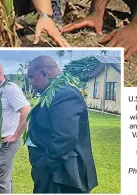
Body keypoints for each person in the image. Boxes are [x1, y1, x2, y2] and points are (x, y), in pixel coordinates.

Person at [26, 56, 98, 194]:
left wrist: (45, 165)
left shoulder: (64, 94)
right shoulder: (56, 92)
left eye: (31, 77)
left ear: (43, 74)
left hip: (62, 174)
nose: (30, 82)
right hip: (57, 171)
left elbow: (65, 137)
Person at [0, 61, 31, 193]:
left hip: (4, 143)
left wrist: (16, 135)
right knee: (4, 179)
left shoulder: (10, 88)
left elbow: (26, 111)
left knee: (1, 181)